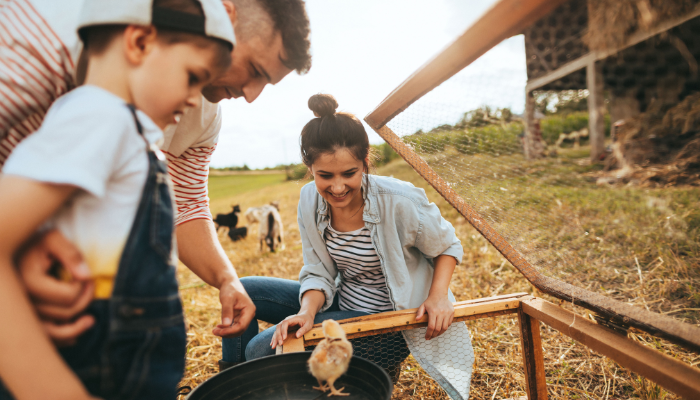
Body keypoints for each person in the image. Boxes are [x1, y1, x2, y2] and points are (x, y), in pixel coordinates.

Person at [1, 0, 311, 347]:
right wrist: (19, 248)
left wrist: (226, 278)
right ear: (224, 15)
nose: (252, 96)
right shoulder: (32, 39)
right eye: (255, 70)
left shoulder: (200, 112)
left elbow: (186, 202)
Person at [0, 1, 235, 399]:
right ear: (140, 42)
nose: (197, 99)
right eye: (193, 77)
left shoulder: (123, 129)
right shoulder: (100, 118)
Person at [221, 94, 475, 398]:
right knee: (244, 291)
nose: (338, 187)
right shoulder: (309, 200)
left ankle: (359, 370)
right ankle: (232, 391)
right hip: (341, 303)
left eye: (349, 173)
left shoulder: (399, 200)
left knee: (261, 348)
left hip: (389, 324)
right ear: (309, 167)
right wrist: (306, 312)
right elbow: (317, 270)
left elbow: (447, 245)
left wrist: (438, 298)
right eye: (325, 176)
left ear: (365, 160)